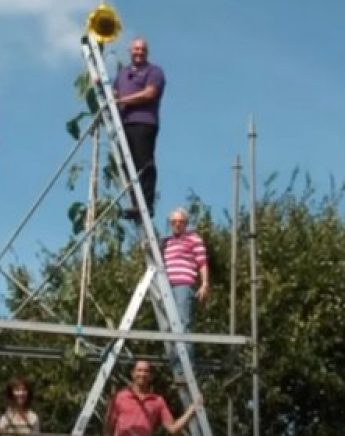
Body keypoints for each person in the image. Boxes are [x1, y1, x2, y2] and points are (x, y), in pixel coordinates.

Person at [112, 37, 166, 220]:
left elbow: (149, 93)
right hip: (124, 123)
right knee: (127, 165)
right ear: (130, 51)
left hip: (144, 122)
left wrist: (122, 101)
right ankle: (135, 203)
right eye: (135, 49)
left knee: (144, 164)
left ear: (146, 52)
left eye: (142, 49)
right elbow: (114, 93)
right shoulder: (123, 73)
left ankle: (146, 205)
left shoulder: (154, 71)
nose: (138, 52)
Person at [160, 207, 210, 377]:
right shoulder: (166, 242)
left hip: (183, 285)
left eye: (180, 222)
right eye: (174, 222)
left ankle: (186, 368)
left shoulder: (193, 239)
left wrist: (204, 284)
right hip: (167, 287)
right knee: (168, 327)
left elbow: (202, 262)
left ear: (186, 223)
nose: (177, 225)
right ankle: (175, 366)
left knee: (182, 324)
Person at [103, 360, 202, 436]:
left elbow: (173, 429)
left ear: (151, 376)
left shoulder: (157, 400)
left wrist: (192, 409)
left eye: (146, 371)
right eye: (139, 370)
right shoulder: (120, 396)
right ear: (133, 374)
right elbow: (108, 427)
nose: (142, 374)